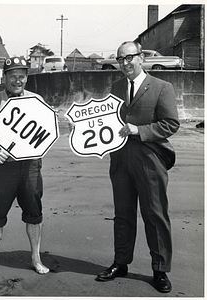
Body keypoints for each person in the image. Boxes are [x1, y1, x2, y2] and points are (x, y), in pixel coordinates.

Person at [95, 41, 180, 293]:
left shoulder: (162, 87)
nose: (125, 63)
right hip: (120, 160)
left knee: (155, 214)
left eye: (129, 57)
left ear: (140, 57)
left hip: (150, 160)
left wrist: (139, 130)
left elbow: (171, 124)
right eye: (121, 59)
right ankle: (120, 263)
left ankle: (160, 269)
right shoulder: (116, 87)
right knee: (123, 214)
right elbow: (108, 120)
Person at [0, 56, 50, 278]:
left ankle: (36, 258)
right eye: (13, 76)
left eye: (22, 76)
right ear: (5, 77)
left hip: (31, 167)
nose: (18, 81)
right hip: (3, 168)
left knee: (34, 213)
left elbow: (46, 130)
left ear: (27, 78)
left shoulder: (37, 100)